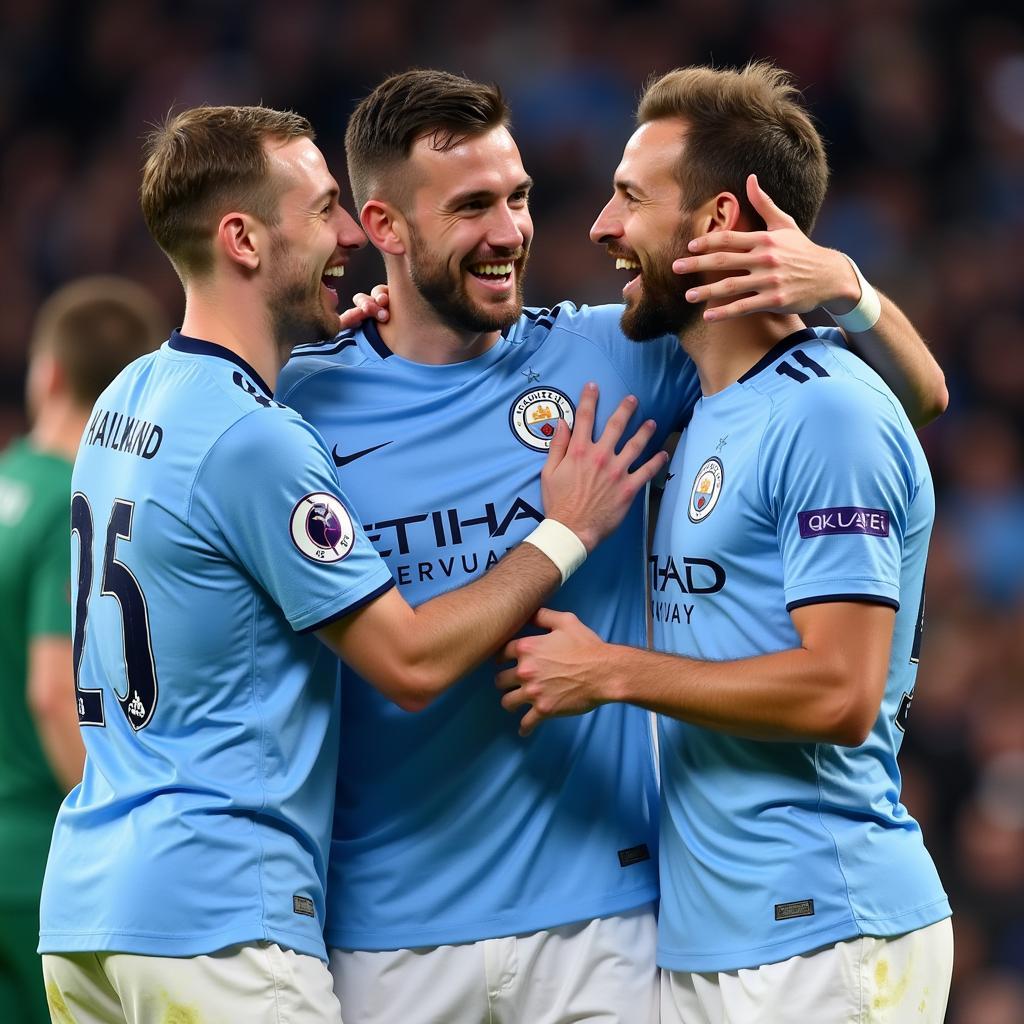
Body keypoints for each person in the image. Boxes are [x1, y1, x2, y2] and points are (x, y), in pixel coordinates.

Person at [278, 69, 947, 1024]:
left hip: (612, 923)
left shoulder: (614, 355)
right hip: (389, 923)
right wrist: (564, 535)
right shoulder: (303, 406)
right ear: (385, 229)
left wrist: (850, 286)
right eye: (472, 206)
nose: (512, 231)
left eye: (517, 198)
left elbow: (900, 400)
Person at [37, 104, 664, 1024]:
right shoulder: (262, 438)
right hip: (224, 908)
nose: (343, 238)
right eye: (325, 210)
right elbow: (407, 661)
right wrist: (563, 531)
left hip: (92, 904)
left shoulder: (129, 396)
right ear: (243, 238)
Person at [496, 63, 953, 1024]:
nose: (601, 227)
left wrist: (611, 671)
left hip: (827, 926)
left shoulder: (828, 415)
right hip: (714, 931)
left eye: (630, 197)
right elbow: (930, 395)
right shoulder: (698, 398)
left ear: (714, 222)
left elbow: (840, 690)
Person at [0, 277, 164, 1024]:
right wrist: (110, 836)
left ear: (49, 373)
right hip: (41, 857)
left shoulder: (8, 484)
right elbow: (50, 690)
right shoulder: (86, 507)